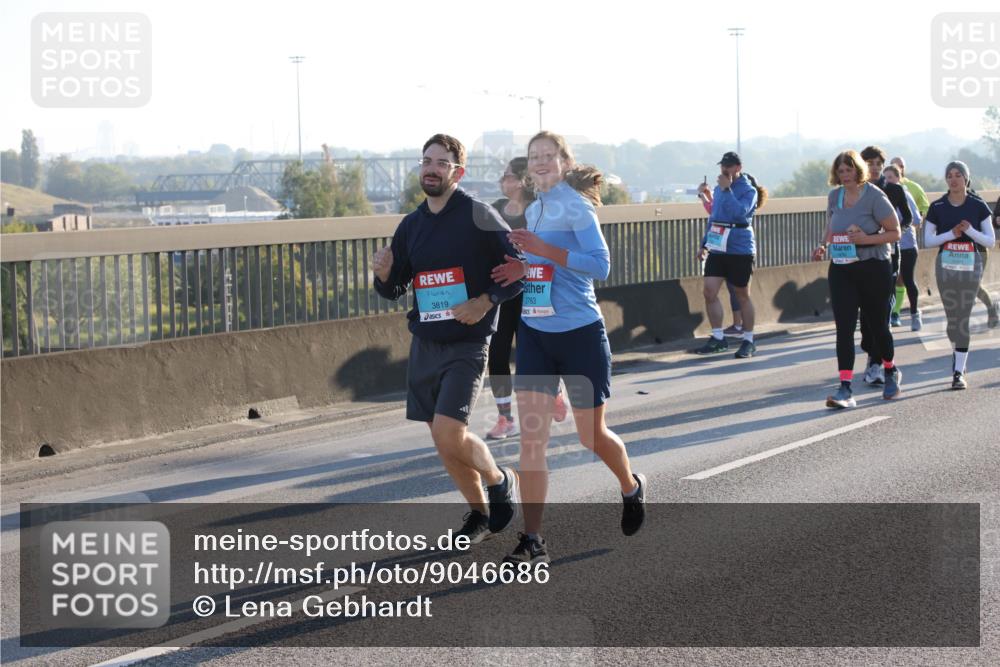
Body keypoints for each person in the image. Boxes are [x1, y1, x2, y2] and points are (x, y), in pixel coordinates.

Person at [490, 131, 646, 565]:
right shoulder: (536, 208)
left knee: (590, 435)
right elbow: (543, 267)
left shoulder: (576, 207)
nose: (540, 162)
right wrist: (523, 266)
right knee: (532, 443)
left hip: (580, 334)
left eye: (548, 156)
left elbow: (600, 265)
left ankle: (631, 485)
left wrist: (543, 250)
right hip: (536, 334)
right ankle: (533, 539)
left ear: (562, 161)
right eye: (533, 157)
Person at [373, 133, 525, 543]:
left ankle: (498, 480)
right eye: (426, 161)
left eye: (441, 162)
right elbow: (394, 289)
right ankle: (478, 514)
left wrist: (485, 300)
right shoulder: (412, 225)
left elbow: (520, 271)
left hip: (467, 342)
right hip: (425, 342)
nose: (431, 168)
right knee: (444, 444)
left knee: (449, 433)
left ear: (458, 171)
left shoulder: (478, 216)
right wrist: (383, 275)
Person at [812, 150, 902, 408]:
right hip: (841, 267)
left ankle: (890, 370)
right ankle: (845, 388)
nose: (845, 175)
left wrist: (866, 238)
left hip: (873, 266)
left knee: (877, 326)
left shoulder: (875, 196)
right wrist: (822, 244)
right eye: (840, 171)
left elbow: (895, 232)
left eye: (849, 170)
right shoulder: (835, 196)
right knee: (844, 329)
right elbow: (832, 225)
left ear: (858, 170)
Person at [486, 157, 568, 439]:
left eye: (509, 176)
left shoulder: (538, 210)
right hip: (504, 287)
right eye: (503, 177)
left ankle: (554, 390)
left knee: (530, 353)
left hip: (534, 288)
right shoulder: (495, 210)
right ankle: (504, 417)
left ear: (522, 180)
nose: (504, 181)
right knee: (496, 353)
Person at [922, 161, 995, 389]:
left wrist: (970, 231)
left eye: (958, 175)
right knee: (952, 320)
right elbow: (927, 240)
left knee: (962, 317)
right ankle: (959, 358)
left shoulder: (978, 206)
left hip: (971, 266)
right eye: (950, 176)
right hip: (946, 267)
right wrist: (951, 234)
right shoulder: (938, 207)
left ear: (966, 178)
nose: (954, 179)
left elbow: (990, 241)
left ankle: (957, 373)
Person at [695, 151, 768, 358]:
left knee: (742, 294)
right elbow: (714, 217)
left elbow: (740, 213)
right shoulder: (718, 189)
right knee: (709, 291)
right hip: (718, 246)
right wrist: (704, 244)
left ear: (738, 168)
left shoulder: (748, 191)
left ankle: (748, 339)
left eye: (728, 166)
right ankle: (718, 337)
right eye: (722, 166)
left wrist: (727, 191)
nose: (724, 170)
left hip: (739, 247)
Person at [857, 146, 912, 385]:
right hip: (860, 257)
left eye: (879, 163)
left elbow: (908, 218)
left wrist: (889, 226)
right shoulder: (855, 191)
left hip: (888, 256)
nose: (875, 167)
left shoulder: (895, 189)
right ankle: (872, 354)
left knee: (882, 311)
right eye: (870, 163)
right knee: (865, 312)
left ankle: (879, 363)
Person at [697, 185, 745, 336]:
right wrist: (707, 197)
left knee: (735, 289)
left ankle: (738, 326)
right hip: (722, 245)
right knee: (734, 289)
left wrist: (704, 197)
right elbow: (716, 210)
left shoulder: (734, 196)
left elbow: (717, 213)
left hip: (728, 246)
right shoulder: (738, 195)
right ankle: (739, 326)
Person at [882, 164, 923, 330]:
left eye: (891, 178)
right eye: (885, 179)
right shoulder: (881, 197)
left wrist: (897, 227)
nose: (887, 182)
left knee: (907, 279)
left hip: (906, 244)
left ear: (898, 178)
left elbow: (916, 219)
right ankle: (891, 317)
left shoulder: (904, 194)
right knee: (890, 282)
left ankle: (914, 314)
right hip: (888, 247)